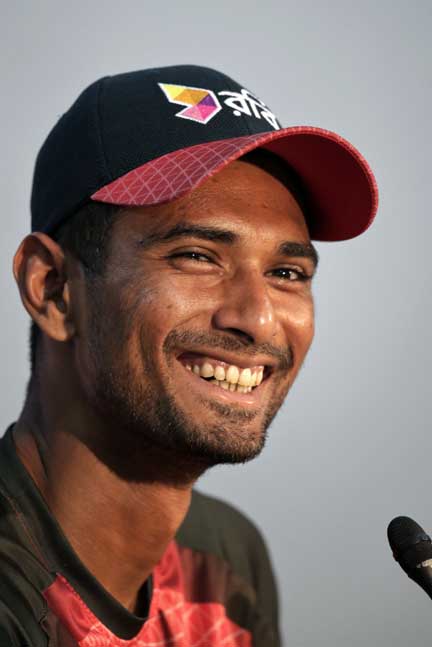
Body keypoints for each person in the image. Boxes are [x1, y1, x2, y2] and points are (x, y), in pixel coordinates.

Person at [0, 65, 378, 647]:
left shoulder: (225, 561)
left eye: (286, 272)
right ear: (52, 287)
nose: (256, 318)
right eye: (197, 256)